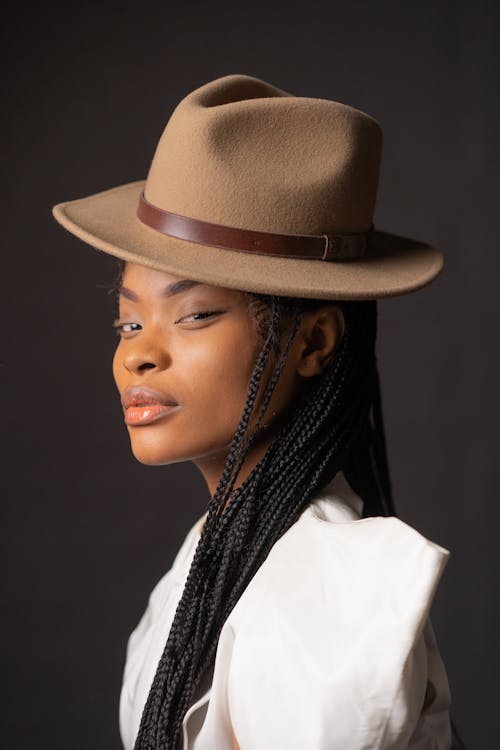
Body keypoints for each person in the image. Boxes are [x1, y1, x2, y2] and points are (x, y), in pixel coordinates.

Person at [52, 73, 464, 750]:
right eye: (128, 325)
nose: (139, 357)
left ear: (313, 342)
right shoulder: (209, 565)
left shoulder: (326, 596)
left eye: (194, 316)